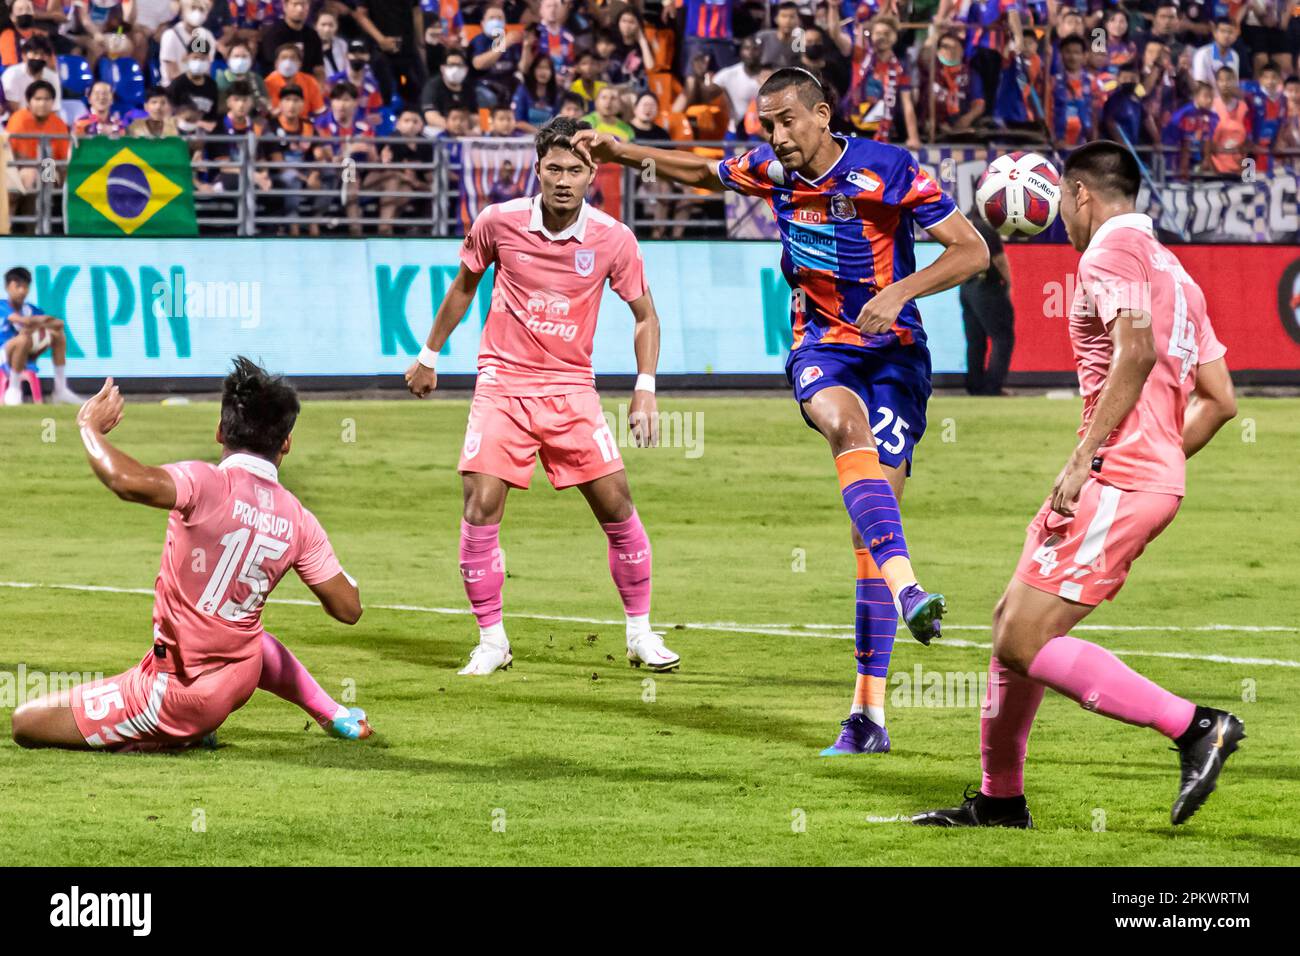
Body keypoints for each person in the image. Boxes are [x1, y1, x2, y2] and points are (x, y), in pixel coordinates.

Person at [573, 68, 989, 753]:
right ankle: (911, 589)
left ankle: (868, 717)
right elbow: (706, 173)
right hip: (821, 345)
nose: (776, 135)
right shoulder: (772, 171)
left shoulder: (889, 168)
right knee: (841, 425)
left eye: (787, 120)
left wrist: (900, 293)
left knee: (868, 538)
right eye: (767, 124)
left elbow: (972, 249)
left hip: (896, 356)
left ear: (823, 115)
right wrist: (625, 155)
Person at [914, 141, 1243, 829]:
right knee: (1011, 626)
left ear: (1079, 193)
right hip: (1134, 475)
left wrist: (1093, 457)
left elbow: (1137, 346)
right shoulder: (1175, 271)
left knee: (1025, 642)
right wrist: (1159, 461)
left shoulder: (1110, 254)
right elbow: (1220, 399)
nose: (1060, 217)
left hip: (1112, 476)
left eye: (1063, 202)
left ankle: (1195, 727)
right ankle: (1000, 802)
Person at [404, 116, 679, 678]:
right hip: (502, 384)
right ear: (536, 169)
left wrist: (645, 389)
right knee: (480, 505)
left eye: (575, 170)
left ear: (591, 176)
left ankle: (640, 634)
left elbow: (645, 315)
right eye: (552, 168)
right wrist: (429, 355)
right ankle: (492, 640)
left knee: (617, 506)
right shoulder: (497, 222)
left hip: (571, 389)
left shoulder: (613, 239)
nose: (562, 179)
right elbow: (463, 288)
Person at [11, 359, 373, 751]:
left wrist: (89, 427)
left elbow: (125, 481)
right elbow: (348, 609)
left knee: (26, 722)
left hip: (177, 695)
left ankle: (169, 736)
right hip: (242, 674)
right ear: (286, 441)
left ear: (220, 431)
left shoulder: (206, 483)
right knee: (244, 629)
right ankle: (333, 713)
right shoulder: (299, 520)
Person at [1, 266, 80, 406]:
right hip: (4, 353)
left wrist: (38, 322)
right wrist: (42, 321)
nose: (22, 291)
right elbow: (21, 320)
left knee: (57, 335)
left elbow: (58, 324)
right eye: (17, 286)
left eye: (25, 287)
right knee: (24, 338)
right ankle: (13, 388)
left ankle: (60, 389)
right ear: (7, 287)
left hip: (25, 352)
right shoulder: (2, 305)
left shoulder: (31, 309)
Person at [959, 219, 1014, 396]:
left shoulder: (963, 220)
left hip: (966, 285)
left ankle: (974, 385)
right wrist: (1008, 283)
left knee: (975, 339)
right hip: (986, 284)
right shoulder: (986, 226)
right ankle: (992, 387)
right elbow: (999, 259)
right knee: (1002, 337)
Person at [2, 33, 59, 112]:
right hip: (17, 120)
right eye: (35, 53)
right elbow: (14, 110)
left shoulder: (52, 77)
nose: (38, 57)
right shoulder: (12, 74)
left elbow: (54, 109)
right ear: (24, 55)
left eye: (42, 54)